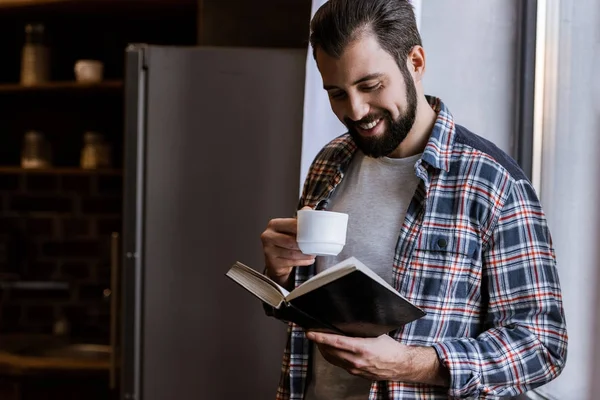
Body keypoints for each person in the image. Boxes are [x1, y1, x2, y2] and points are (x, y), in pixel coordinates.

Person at [260, 0, 568, 398]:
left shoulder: (493, 182)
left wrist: (411, 364)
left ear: (416, 62)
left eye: (370, 86)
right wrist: (280, 276)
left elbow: (543, 346)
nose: (355, 111)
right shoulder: (328, 163)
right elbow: (314, 307)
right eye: (337, 93)